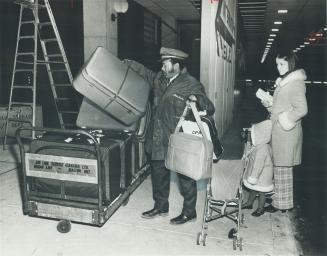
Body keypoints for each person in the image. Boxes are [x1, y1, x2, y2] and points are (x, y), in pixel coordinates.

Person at [124, 47, 215, 224]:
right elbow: (146, 73)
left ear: (176, 64)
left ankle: (190, 212)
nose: (163, 68)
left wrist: (197, 99)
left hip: (177, 137)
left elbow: (209, 106)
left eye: (166, 64)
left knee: (185, 177)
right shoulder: (159, 79)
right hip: (158, 136)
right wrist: (129, 63)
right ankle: (161, 206)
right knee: (158, 173)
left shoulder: (190, 83)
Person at [261, 49, 308, 213]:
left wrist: (284, 119)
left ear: (290, 63)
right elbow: (282, 105)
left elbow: (302, 109)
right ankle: (280, 202)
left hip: (286, 133)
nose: (278, 67)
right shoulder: (284, 81)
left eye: (282, 64)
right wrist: (269, 104)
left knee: (283, 170)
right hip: (280, 133)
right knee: (280, 169)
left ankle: (283, 204)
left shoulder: (295, 83)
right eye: (277, 64)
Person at [242, 120, 274, 217]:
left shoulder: (262, 150)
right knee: (253, 189)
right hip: (258, 174)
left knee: (261, 192)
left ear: (260, 136)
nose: (251, 138)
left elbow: (258, 165)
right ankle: (249, 203)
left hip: (262, 175)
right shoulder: (261, 145)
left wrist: (253, 177)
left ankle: (260, 208)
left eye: (253, 135)